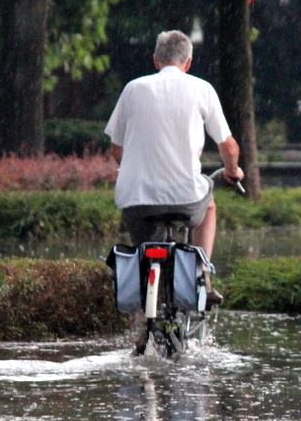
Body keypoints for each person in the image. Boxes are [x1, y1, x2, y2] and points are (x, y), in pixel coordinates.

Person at [105, 30, 244, 273]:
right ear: (188, 63)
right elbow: (229, 147)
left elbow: (116, 149)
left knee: (143, 255)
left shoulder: (133, 88)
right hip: (186, 197)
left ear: (155, 60)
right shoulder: (203, 89)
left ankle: (141, 306)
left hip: (137, 198)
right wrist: (232, 170)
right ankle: (202, 273)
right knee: (209, 205)